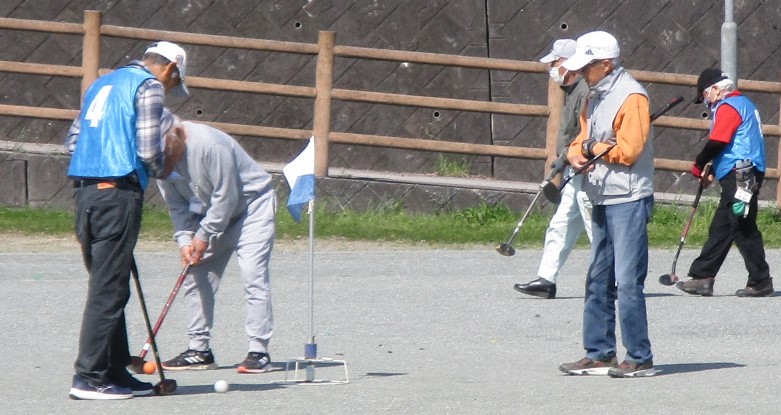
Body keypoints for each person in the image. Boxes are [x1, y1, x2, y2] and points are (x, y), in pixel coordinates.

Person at [65, 41, 189, 399]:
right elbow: (148, 147)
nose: (168, 88)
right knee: (109, 289)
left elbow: (72, 141)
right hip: (118, 193)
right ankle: (88, 376)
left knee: (111, 283)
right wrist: (158, 170)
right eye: (173, 81)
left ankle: (114, 369)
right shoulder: (148, 86)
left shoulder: (101, 84)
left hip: (85, 193)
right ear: (170, 69)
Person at [557, 31, 656, 378]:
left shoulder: (633, 98)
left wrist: (589, 150)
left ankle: (640, 357)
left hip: (629, 197)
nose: (583, 72)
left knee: (628, 281)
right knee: (598, 278)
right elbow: (579, 143)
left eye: (587, 66)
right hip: (601, 193)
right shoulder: (594, 97)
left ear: (606, 64)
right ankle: (599, 352)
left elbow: (629, 151)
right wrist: (583, 151)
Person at [155, 109, 278, 374]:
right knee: (195, 272)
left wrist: (202, 236)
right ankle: (199, 350)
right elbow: (177, 206)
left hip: (252, 208)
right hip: (211, 214)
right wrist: (184, 240)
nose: (163, 167)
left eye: (165, 155)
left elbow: (226, 197)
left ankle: (259, 350)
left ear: (175, 135)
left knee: (252, 273)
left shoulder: (210, 145)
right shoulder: (158, 161)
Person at [675, 69, 773, 297]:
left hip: (741, 173)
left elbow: (718, 141)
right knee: (723, 224)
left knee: (742, 224)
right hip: (740, 171)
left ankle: (761, 280)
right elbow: (730, 142)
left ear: (717, 90)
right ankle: (703, 276)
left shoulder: (729, 106)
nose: (706, 103)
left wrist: (700, 164)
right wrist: (713, 167)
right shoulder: (744, 103)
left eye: (705, 96)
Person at [514, 39, 592, 299]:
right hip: (573, 168)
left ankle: (616, 281)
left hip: (587, 169)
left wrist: (566, 156)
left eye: (556, 62)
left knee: (595, 228)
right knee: (560, 224)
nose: (552, 67)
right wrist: (564, 158)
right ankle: (546, 280)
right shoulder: (572, 90)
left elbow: (584, 132)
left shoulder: (586, 91)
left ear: (570, 63)